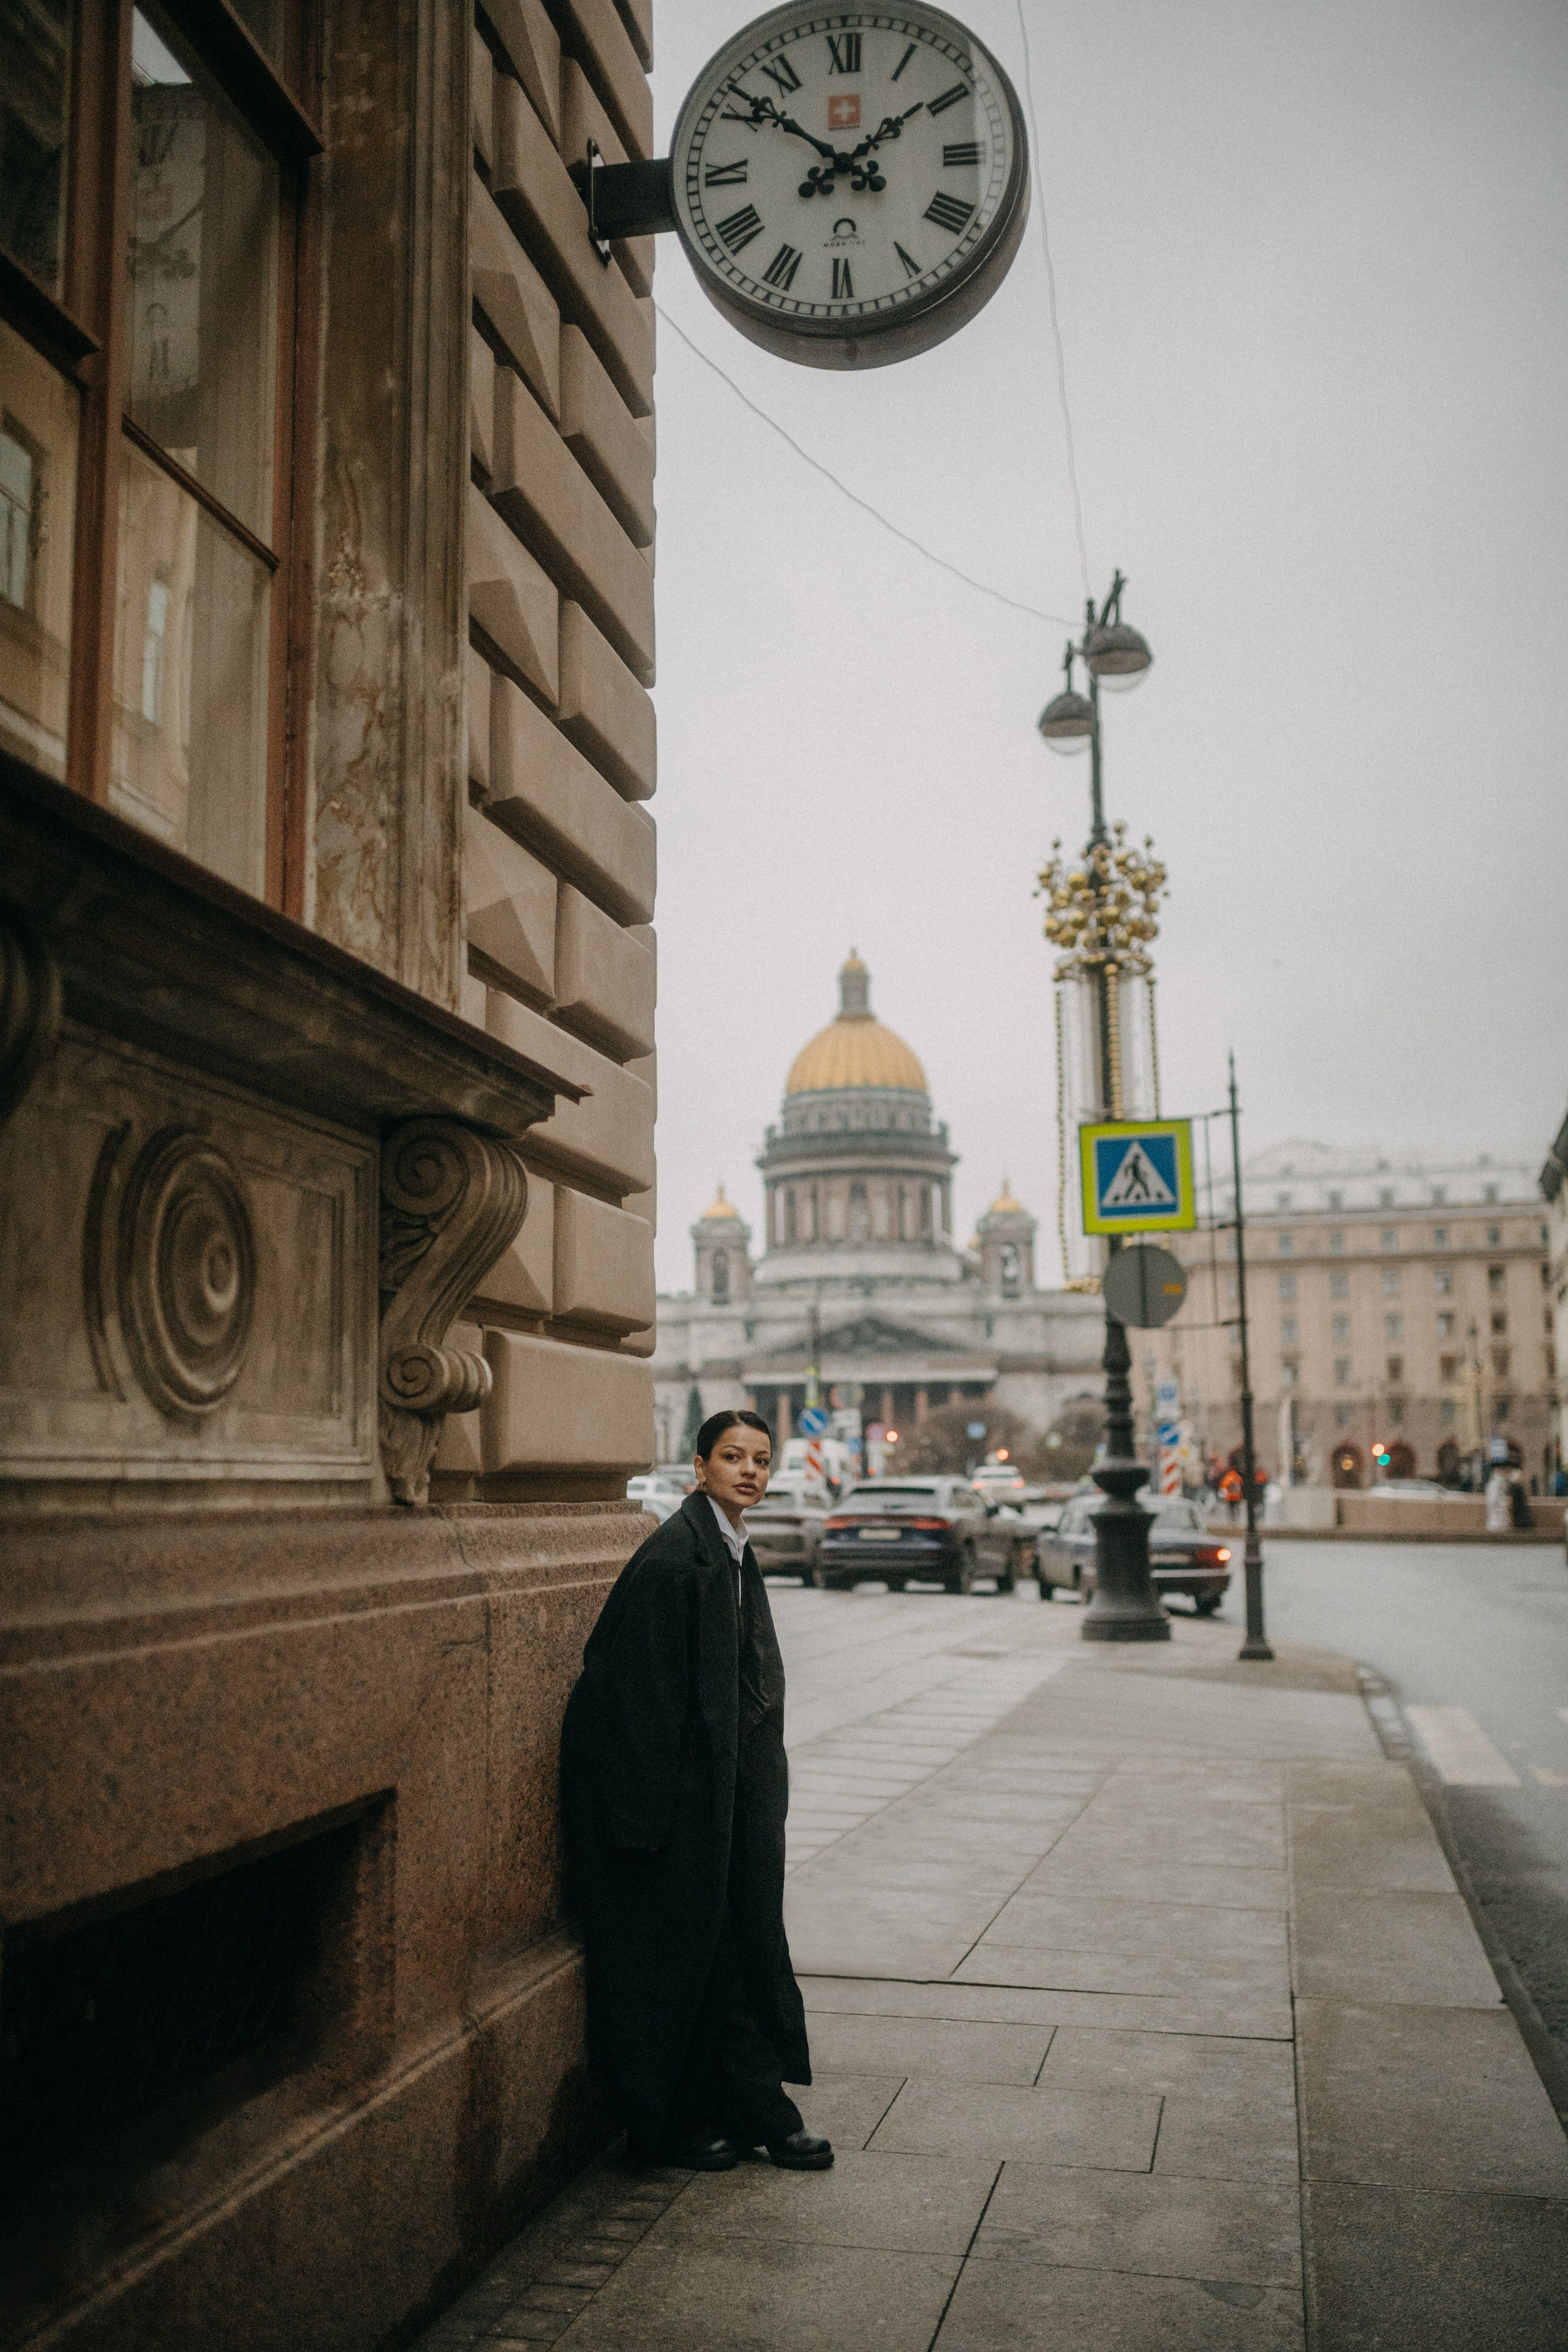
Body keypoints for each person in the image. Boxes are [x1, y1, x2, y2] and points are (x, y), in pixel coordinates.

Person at [560, 1409, 832, 2174]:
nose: (749, 1470)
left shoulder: (728, 1549)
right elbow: (636, 1698)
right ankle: (676, 2124)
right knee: (683, 1968)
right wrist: (645, 1821)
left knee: (735, 1950)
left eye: (761, 1460)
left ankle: (755, 2109)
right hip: (671, 1809)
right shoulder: (678, 1557)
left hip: (723, 1797)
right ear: (700, 1466)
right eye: (733, 1457)